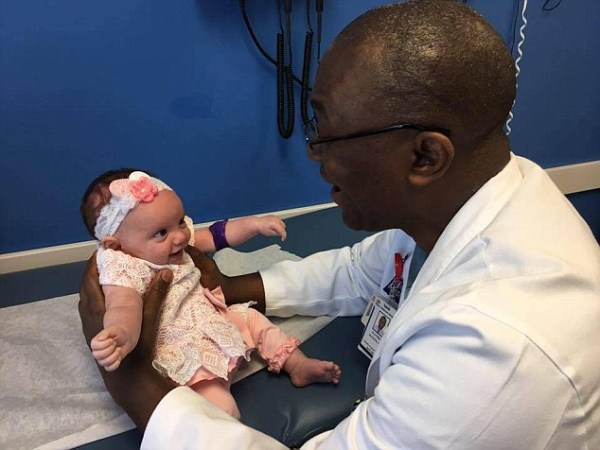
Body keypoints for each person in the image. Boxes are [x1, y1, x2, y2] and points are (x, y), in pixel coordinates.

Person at [79, 0, 600, 448]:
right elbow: (358, 273)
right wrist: (225, 288)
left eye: (327, 132)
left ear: (425, 157)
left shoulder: (497, 353)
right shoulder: (469, 199)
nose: (314, 154)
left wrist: (138, 387)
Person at [79, 168, 341, 419]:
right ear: (116, 246)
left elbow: (216, 236)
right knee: (220, 406)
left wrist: (253, 224)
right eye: (161, 233)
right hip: (184, 345)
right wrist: (120, 333)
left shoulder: (175, 240)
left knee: (253, 319)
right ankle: (222, 425)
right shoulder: (122, 267)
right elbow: (123, 305)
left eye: (180, 221)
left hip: (213, 318)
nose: (180, 236)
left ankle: (296, 364)